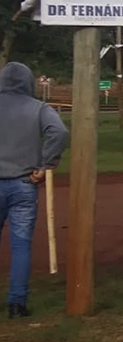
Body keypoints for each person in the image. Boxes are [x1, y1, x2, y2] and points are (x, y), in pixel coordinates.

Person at [0, 62, 69, 318]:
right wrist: (45, 163)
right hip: (24, 183)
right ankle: (17, 303)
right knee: (21, 246)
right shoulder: (39, 108)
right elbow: (59, 132)